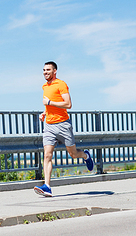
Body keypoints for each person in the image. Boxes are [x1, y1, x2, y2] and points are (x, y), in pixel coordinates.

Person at [33, 61, 94, 197]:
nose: (45, 72)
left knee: (72, 153)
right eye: (43, 70)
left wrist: (50, 103)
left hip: (63, 124)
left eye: (48, 70)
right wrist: (45, 112)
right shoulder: (44, 86)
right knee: (47, 155)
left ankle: (85, 155)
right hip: (49, 125)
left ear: (55, 71)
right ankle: (47, 186)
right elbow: (49, 105)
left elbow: (68, 104)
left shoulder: (61, 84)